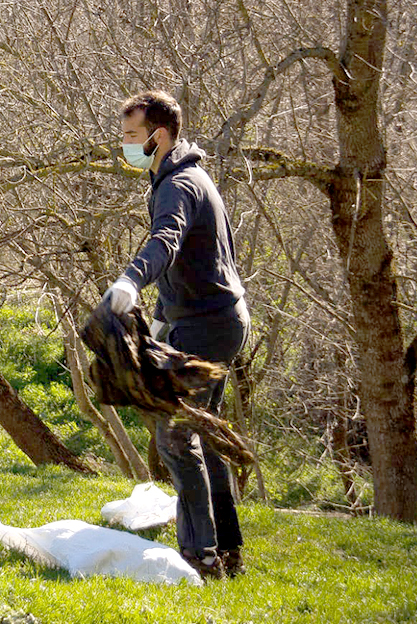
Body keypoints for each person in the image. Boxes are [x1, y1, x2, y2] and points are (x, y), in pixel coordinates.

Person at [104, 90, 250, 579]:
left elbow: (165, 241)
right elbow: (193, 260)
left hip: (207, 324)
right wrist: (161, 319)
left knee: (175, 434)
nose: (125, 144)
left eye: (132, 136)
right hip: (217, 319)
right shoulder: (184, 175)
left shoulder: (178, 184)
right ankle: (226, 549)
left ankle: (201, 557)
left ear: (159, 136)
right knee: (202, 434)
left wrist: (131, 280)